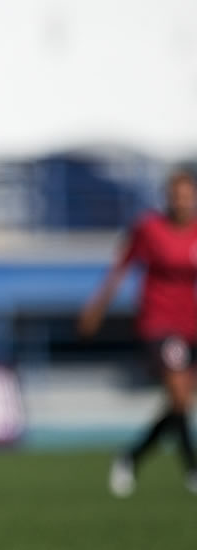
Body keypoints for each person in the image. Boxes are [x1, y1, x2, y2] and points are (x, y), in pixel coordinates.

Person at [79, 169, 197, 497]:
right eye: (176, 196)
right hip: (158, 322)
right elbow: (121, 267)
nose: (181, 202)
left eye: (187, 196)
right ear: (167, 198)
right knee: (179, 397)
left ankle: (130, 457)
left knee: (179, 405)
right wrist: (96, 308)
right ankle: (192, 469)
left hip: (190, 325)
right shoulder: (149, 228)